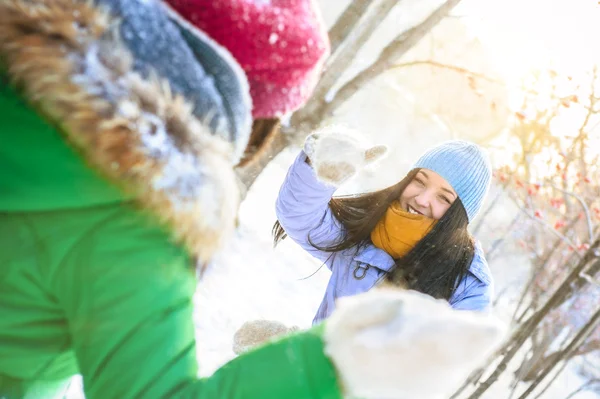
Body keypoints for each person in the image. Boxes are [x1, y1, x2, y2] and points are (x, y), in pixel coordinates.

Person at [274, 126, 494, 324]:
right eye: (420, 181)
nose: (422, 199)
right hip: (314, 364)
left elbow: (445, 357)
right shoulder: (369, 230)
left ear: (459, 215)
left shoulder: (467, 284)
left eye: (443, 198)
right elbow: (300, 216)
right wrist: (320, 167)